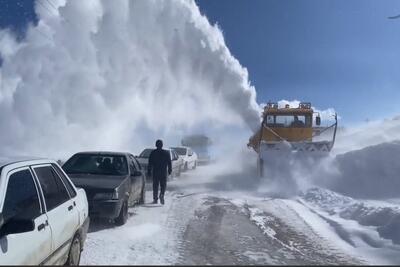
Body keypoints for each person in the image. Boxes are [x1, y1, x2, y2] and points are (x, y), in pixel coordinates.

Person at [147, 139, 172, 205]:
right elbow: (169, 162)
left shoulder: (153, 153)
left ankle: (155, 199)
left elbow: (150, 163)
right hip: (163, 172)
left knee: (155, 186)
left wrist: (149, 171)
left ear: (156, 145)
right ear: (162, 145)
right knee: (163, 185)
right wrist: (170, 170)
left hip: (155, 172)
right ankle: (162, 194)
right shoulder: (166, 153)